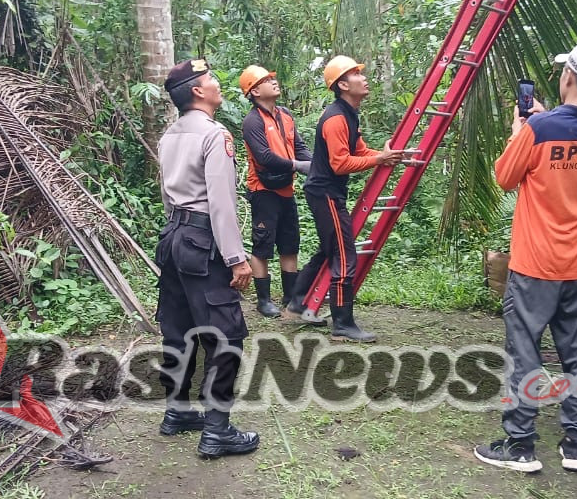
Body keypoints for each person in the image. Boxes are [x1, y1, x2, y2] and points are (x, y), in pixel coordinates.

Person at [475, 41, 577, 474]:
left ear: (568, 76)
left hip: (535, 264)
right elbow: (572, 157)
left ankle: (520, 445)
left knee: (525, 353)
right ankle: (575, 444)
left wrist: (521, 130)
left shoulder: (538, 129)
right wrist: (540, 124)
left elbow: (505, 177)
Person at [154, 58, 260, 458]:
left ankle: (177, 412)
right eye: (211, 78)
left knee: (178, 330)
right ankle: (217, 431)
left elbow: (167, 196)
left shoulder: (169, 136)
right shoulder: (215, 135)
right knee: (225, 335)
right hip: (203, 241)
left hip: (173, 237)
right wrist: (236, 258)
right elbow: (221, 203)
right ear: (198, 91)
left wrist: (179, 231)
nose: (217, 83)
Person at [287, 56, 404, 342]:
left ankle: (297, 302)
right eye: (356, 74)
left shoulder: (350, 114)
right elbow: (340, 164)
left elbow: (360, 152)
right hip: (325, 192)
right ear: (342, 85)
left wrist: (384, 156)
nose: (364, 78)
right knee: (343, 254)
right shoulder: (336, 118)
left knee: (330, 249)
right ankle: (342, 322)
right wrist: (379, 159)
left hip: (327, 191)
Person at [238, 65, 314, 319]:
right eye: (266, 80)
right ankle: (263, 300)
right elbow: (265, 157)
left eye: (272, 77)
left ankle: (290, 296)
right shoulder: (252, 121)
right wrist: (297, 166)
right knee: (263, 245)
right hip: (263, 191)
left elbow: (299, 147)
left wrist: (314, 165)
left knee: (290, 244)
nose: (274, 81)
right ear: (255, 91)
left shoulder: (285, 115)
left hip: (286, 189)